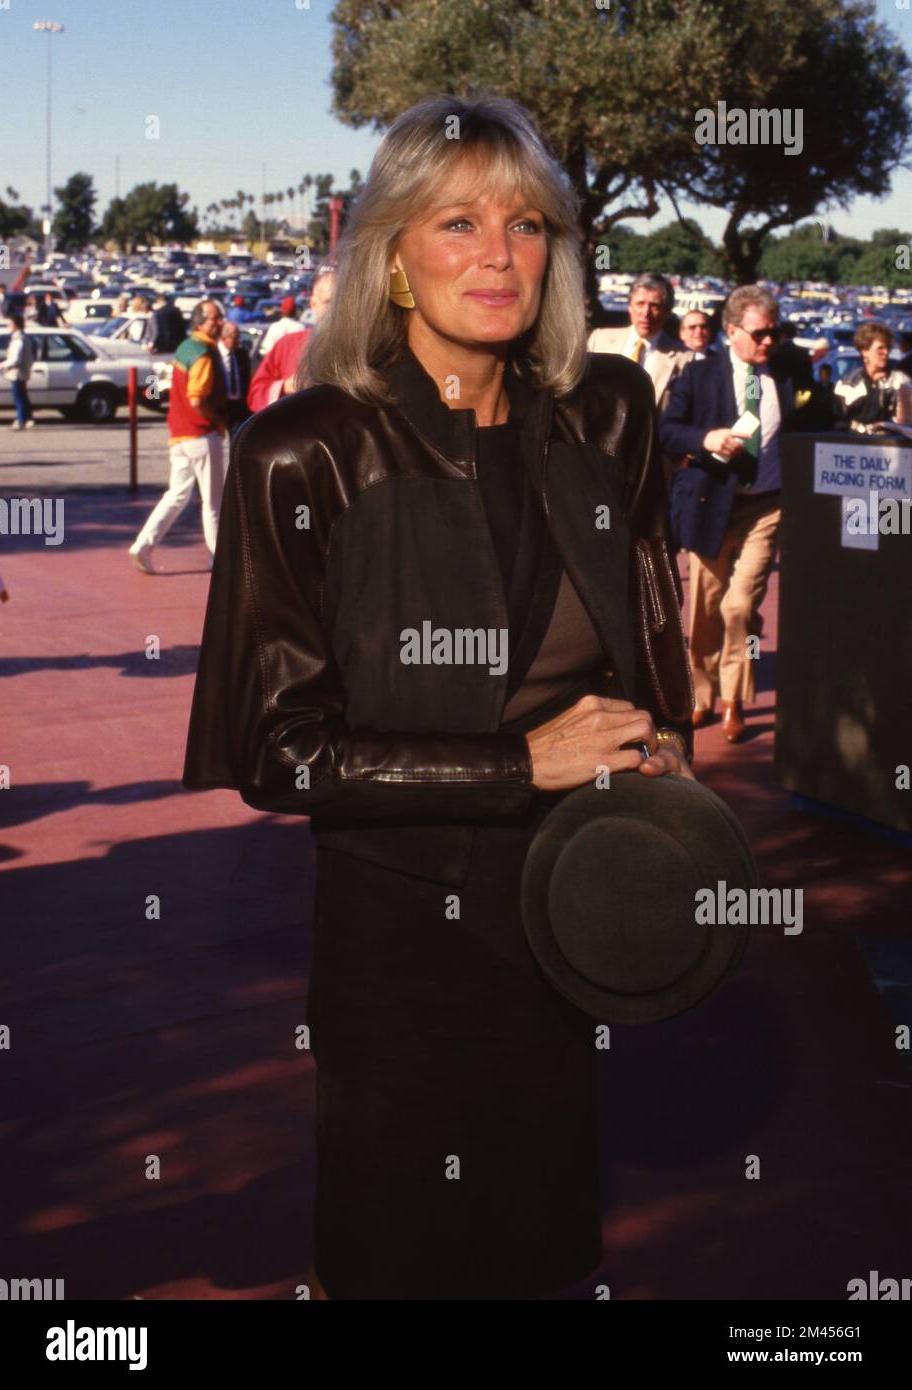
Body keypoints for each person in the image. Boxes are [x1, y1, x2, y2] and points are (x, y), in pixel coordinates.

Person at [182, 94, 694, 1303]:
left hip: (577, 900)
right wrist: (524, 763)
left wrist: (660, 749)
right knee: (403, 1248)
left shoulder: (610, 415)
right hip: (403, 938)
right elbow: (278, 751)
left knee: (546, 1238)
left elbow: (648, 627)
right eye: (456, 222)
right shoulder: (301, 452)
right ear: (395, 256)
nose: (498, 255)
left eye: (526, 225)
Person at [660, 285, 796, 744]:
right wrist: (706, 439)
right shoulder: (700, 376)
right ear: (732, 331)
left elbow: (819, 419)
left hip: (767, 506)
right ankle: (701, 695)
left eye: (775, 333)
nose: (769, 342)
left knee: (740, 606)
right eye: (760, 334)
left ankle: (735, 700)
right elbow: (667, 431)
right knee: (704, 610)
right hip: (712, 504)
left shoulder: (788, 370)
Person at [128, 300, 227, 574]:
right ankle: (218, 558)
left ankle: (144, 545)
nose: (219, 323)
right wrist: (220, 421)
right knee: (212, 502)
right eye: (214, 319)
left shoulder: (184, 348)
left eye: (219, 318)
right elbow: (197, 399)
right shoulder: (204, 354)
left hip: (180, 435)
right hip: (202, 434)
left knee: (177, 495)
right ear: (199, 322)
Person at [587, 272, 692, 411]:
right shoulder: (600, 340)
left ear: (667, 312)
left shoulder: (684, 358)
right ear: (630, 307)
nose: (646, 313)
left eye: (654, 305)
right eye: (640, 303)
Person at [247, 264, 335, 412]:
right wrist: (286, 386)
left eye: (342, 302)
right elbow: (255, 396)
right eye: (328, 302)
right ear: (313, 304)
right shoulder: (288, 344)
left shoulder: (365, 347)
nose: (336, 309)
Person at [833, 322, 910, 434]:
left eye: (888, 348)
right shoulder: (847, 385)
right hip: (852, 446)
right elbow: (837, 422)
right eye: (880, 348)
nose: (886, 352)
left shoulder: (901, 382)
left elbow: (906, 424)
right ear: (865, 351)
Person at [0, 314, 36, 430]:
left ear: (16, 325)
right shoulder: (23, 337)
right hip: (21, 372)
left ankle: (20, 421)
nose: (8, 326)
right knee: (23, 396)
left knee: (19, 397)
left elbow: (16, 358)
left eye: (10, 324)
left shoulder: (18, 339)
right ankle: (28, 418)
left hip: (17, 372)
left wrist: (2, 364)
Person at [217, 319, 252, 439]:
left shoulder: (242, 354)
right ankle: (154, 398)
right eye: (234, 337)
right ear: (223, 337)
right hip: (221, 405)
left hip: (239, 406)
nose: (238, 341)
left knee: (237, 439)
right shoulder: (213, 355)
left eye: (238, 337)